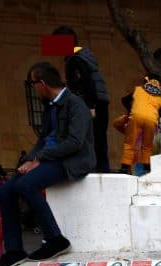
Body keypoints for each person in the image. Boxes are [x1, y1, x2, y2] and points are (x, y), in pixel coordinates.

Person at [0, 61, 95, 266]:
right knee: (6, 191)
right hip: (48, 159)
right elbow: (43, 140)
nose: (33, 88)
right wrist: (28, 160)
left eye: (33, 84)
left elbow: (75, 143)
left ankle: (55, 239)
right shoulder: (50, 108)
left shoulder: (76, 105)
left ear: (42, 83)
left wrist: (40, 159)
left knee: (26, 185)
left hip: (71, 160)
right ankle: (14, 251)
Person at [52, 26, 110, 173]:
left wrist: (90, 106)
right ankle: (102, 168)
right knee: (100, 138)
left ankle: (97, 169)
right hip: (100, 101)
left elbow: (86, 82)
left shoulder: (74, 59)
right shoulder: (85, 56)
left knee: (92, 138)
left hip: (91, 103)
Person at [119, 77, 161, 175]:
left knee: (130, 143)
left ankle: (125, 168)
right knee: (147, 146)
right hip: (151, 121)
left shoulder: (138, 89)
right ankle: (146, 168)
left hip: (135, 117)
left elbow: (124, 100)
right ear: (160, 88)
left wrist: (131, 110)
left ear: (146, 82)